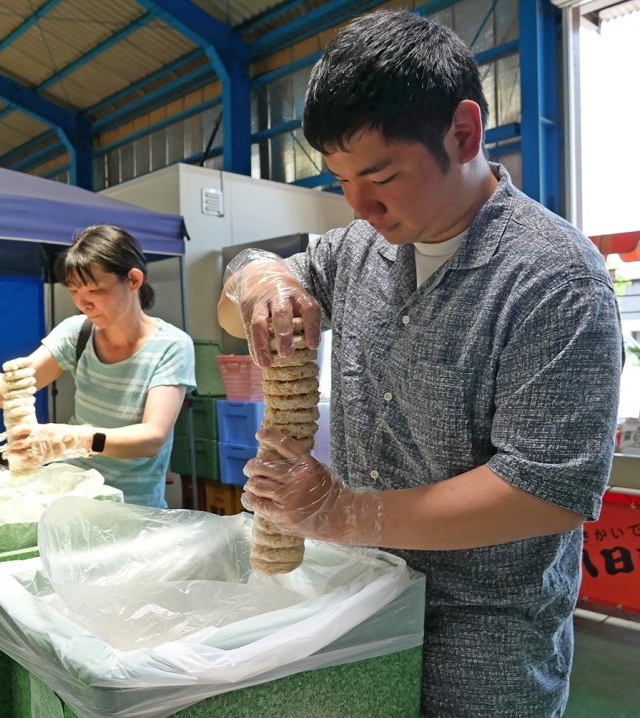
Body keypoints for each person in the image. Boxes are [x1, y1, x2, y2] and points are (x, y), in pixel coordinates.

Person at [217, 9, 623, 717]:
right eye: (341, 180)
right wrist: (260, 283)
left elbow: (545, 491)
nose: (360, 205)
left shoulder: (554, 280)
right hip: (360, 608)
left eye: (380, 176)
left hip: (480, 647)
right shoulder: (359, 251)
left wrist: (344, 511)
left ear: (463, 133)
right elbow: (238, 292)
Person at [0, 224, 195, 508]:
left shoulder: (172, 345)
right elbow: (8, 393)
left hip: (133, 506)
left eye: (95, 290)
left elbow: (151, 438)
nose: (83, 302)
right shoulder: (77, 332)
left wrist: (76, 438)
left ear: (133, 280)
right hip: (72, 496)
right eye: (74, 290)